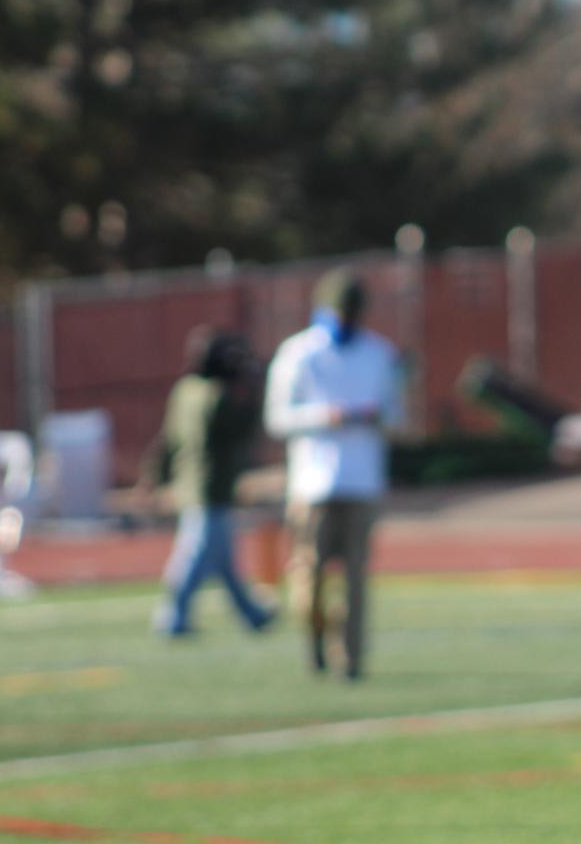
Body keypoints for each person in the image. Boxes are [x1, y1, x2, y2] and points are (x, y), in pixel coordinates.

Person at [265, 268, 401, 681]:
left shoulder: (379, 353)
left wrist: (376, 417)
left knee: (356, 579)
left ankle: (352, 658)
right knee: (309, 576)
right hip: (313, 484)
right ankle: (315, 645)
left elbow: (396, 416)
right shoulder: (299, 353)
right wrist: (326, 416)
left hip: (361, 483)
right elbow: (277, 418)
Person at [149, 326, 275, 637]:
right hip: (210, 489)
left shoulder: (185, 390)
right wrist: (256, 393)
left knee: (223, 561)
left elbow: (168, 439)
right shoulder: (215, 398)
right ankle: (173, 617)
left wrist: (154, 475)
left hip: (190, 486)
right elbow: (241, 432)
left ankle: (252, 614)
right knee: (195, 557)